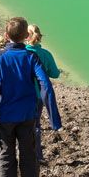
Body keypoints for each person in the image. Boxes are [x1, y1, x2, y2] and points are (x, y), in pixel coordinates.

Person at [0, 16, 61, 177]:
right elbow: (46, 85)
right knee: (29, 156)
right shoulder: (31, 57)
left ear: (6, 35)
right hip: (28, 116)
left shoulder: (0, 57)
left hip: (6, 116)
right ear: (26, 36)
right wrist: (54, 119)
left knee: (6, 156)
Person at [26, 24, 61, 164]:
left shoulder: (21, 53)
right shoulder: (46, 54)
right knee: (35, 124)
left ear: (25, 36)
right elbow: (55, 74)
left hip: (21, 94)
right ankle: (37, 155)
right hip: (38, 95)